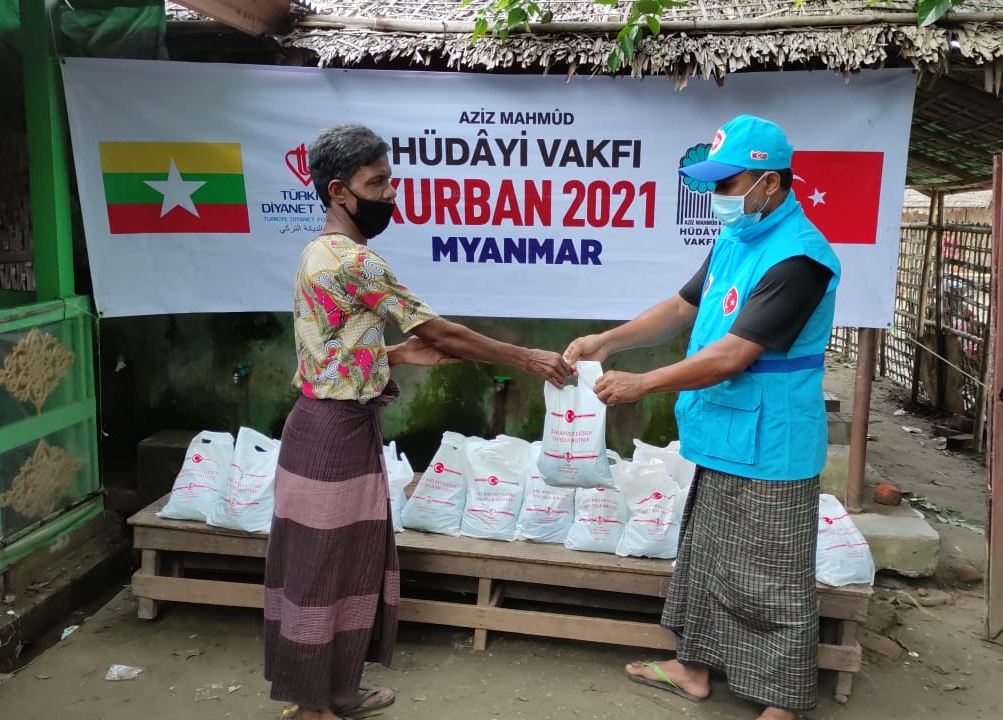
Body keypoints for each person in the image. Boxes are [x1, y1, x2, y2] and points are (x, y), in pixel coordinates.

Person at [264, 124, 571, 720]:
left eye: (390, 179)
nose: (390, 193)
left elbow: (331, 350)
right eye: (377, 182)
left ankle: (338, 690)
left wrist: (396, 356)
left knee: (349, 562)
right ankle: (312, 707)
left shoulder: (316, 253)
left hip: (329, 428)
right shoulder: (354, 260)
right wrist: (527, 357)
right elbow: (441, 331)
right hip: (332, 436)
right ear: (338, 191)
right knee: (321, 570)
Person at [564, 115, 840, 720]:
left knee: (773, 574)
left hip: (772, 439)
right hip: (725, 426)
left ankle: (782, 703)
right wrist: (609, 340)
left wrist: (643, 383)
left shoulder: (800, 258)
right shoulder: (737, 238)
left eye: (727, 184)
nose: (717, 196)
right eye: (712, 184)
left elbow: (734, 355)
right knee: (707, 557)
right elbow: (679, 307)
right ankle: (693, 668)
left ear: (769, 182)